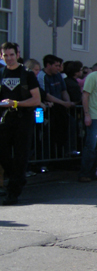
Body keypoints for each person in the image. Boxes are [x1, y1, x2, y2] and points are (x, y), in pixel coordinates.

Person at [0, 43, 42, 205]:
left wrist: (15, 103)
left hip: (23, 118)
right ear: (1, 56)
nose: (9, 58)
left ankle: (13, 192)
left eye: (12, 54)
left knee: (20, 155)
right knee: (3, 153)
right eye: (6, 55)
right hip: (5, 119)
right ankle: (18, 179)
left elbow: (36, 99)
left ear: (17, 54)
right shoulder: (1, 73)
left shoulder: (27, 74)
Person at [40, 54, 73, 157]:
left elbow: (63, 90)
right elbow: (46, 95)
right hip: (49, 109)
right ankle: (49, 157)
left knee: (63, 132)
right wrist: (63, 103)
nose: (59, 68)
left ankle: (62, 155)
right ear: (48, 65)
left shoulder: (58, 75)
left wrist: (67, 102)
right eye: (56, 65)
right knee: (49, 135)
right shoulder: (42, 76)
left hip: (60, 108)